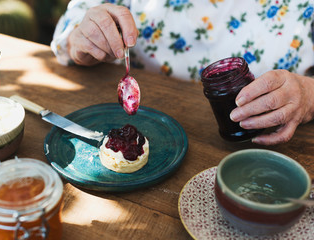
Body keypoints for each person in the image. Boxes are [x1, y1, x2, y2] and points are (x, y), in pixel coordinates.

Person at [51, 0, 314, 146]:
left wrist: (308, 94)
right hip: (154, 132)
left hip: (272, 152)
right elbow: (72, 26)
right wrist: (83, 36)